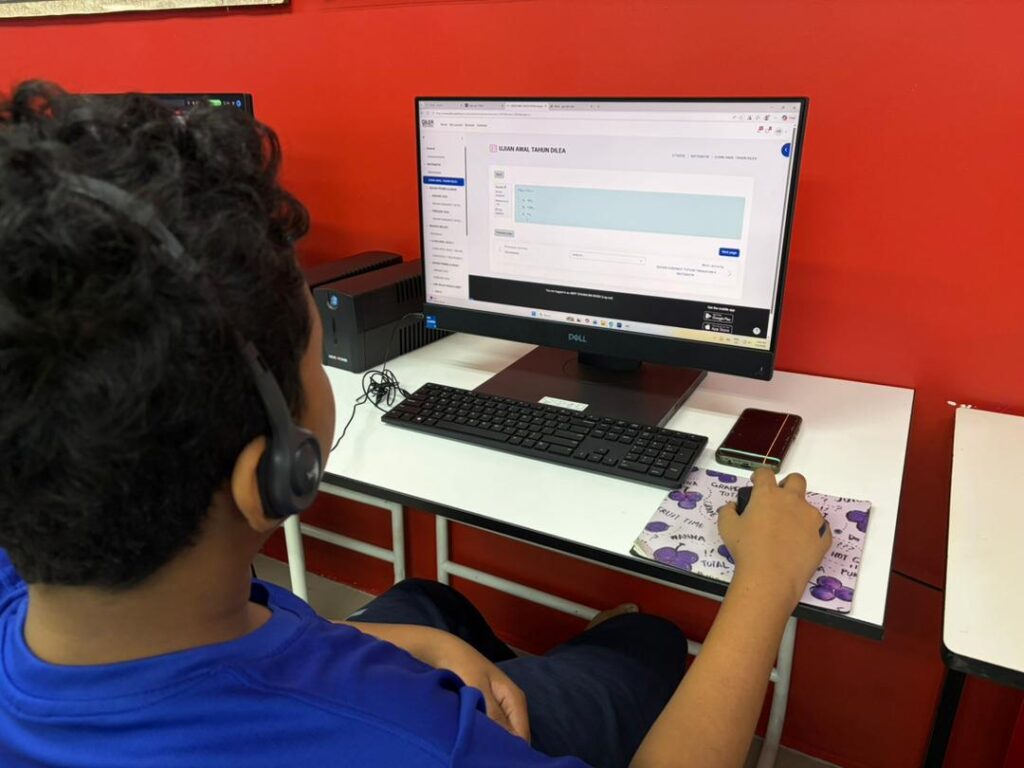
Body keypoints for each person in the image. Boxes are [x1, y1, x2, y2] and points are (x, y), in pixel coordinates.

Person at [0, 82, 831, 768]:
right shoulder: (421, 748)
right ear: (277, 473)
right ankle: (613, 645)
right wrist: (766, 582)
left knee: (433, 602)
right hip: (409, 715)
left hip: (313, 668)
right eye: (316, 359)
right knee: (649, 645)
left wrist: (411, 645)